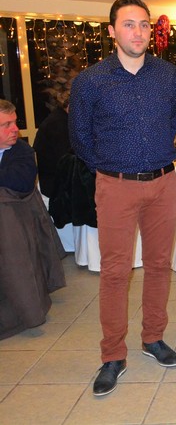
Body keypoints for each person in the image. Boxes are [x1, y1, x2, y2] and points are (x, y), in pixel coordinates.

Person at [69, 0, 176, 396]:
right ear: (112, 31)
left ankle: (153, 337)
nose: (138, 32)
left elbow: (173, 118)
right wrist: (111, 166)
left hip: (164, 183)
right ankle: (113, 355)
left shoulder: (167, 75)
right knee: (116, 273)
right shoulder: (91, 81)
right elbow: (80, 137)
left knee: (160, 265)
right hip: (115, 185)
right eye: (129, 24)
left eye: (144, 24)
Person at [0, 99, 66, 340]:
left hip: (16, 223)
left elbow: (21, 181)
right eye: (6, 125)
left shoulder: (22, 152)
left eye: (14, 122)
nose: (15, 129)